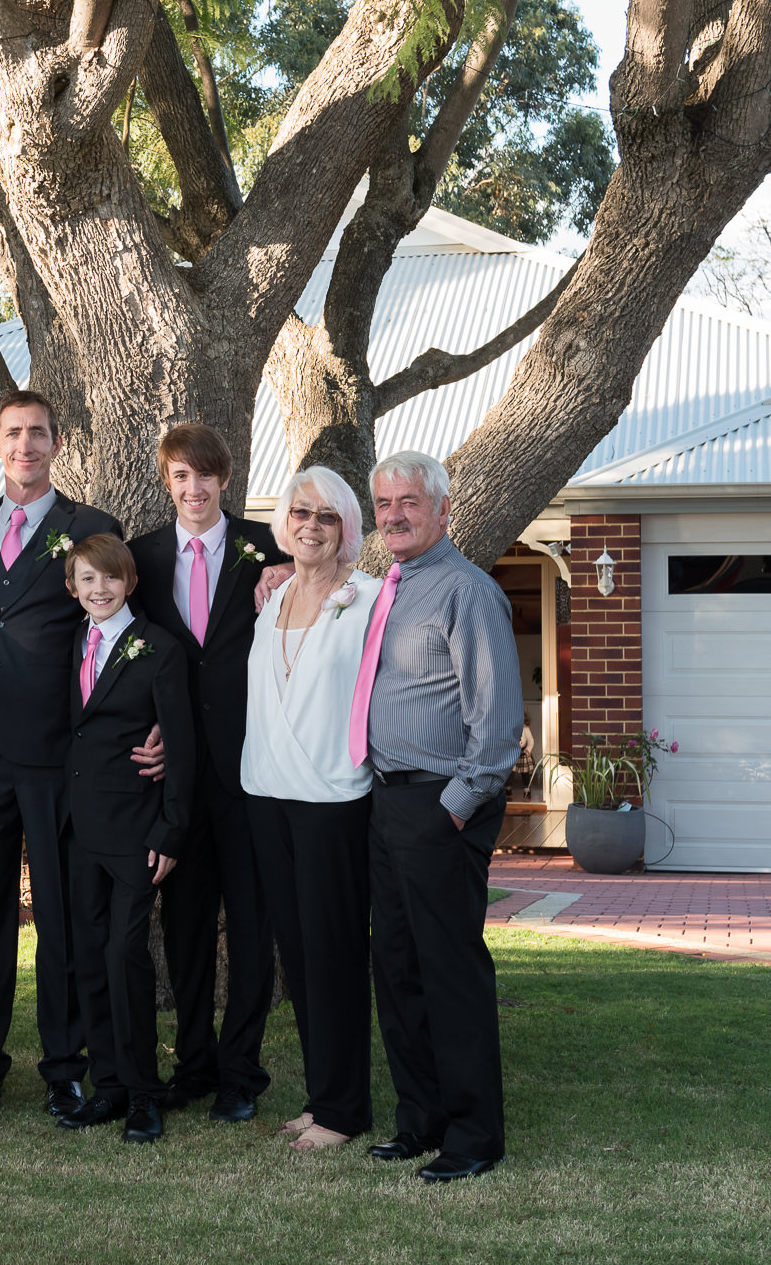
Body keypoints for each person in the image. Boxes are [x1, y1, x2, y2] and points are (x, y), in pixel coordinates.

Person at [0, 390, 124, 1118]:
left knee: (61, 914)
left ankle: (63, 1066)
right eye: (13, 433)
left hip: (56, 753)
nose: (25, 444)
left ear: (57, 442)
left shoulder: (92, 527)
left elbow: (122, 625)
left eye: (38, 433)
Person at [353, 450, 522, 1183]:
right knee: (395, 967)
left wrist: (451, 812)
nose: (394, 514)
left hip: (440, 803)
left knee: (449, 972)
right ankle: (418, 1120)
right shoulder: (388, 586)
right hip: (386, 800)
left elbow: (495, 729)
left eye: (409, 502)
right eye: (384, 502)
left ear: (443, 508)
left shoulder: (467, 592)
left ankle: (473, 1135)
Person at [129, 422, 278, 1122]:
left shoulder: (269, 552)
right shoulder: (141, 559)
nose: (194, 488)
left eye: (206, 475)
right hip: (176, 780)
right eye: (182, 476)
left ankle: (241, 1071)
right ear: (168, 481)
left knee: (250, 925)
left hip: (252, 770)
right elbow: (121, 659)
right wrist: (145, 736)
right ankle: (191, 1063)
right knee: (184, 927)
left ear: (226, 478)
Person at [241, 466, 381, 1151]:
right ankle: (323, 1096)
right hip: (268, 793)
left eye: (328, 516)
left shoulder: (369, 598)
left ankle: (346, 1109)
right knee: (297, 957)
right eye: (302, 512)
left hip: (332, 799)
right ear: (284, 523)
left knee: (335, 955)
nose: (312, 524)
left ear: (347, 528)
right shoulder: (271, 596)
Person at [56, 534, 195, 1145]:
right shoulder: (73, 642)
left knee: (123, 953)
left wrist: (171, 826)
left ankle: (144, 1092)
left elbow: (182, 746)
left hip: (137, 829)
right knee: (88, 954)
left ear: (130, 582)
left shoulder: (159, 648)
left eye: (110, 578)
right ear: (73, 588)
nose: (100, 589)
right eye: (87, 580)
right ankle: (108, 1084)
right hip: (80, 827)